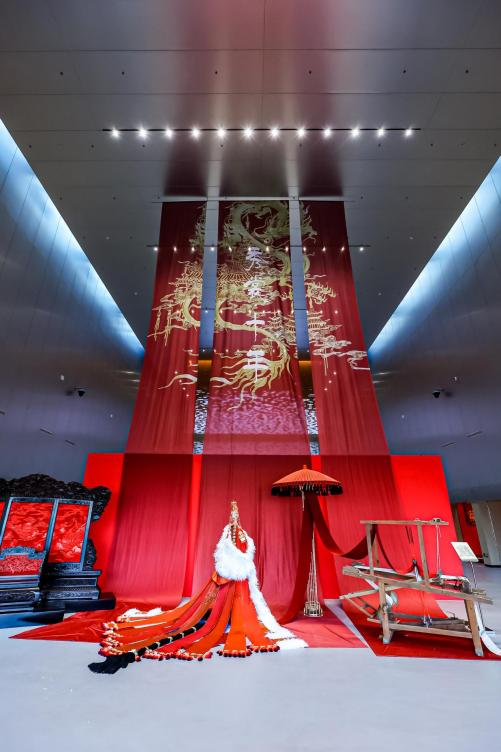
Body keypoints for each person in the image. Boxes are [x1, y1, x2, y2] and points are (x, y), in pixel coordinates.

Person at [89, 500, 305, 674]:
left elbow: (240, 559)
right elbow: (229, 562)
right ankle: (132, 652)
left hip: (238, 582)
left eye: (236, 516)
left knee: (224, 615)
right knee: (195, 622)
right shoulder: (229, 541)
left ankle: (227, 617)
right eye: (233, 516)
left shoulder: (240, 540)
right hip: (229, 580)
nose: (234, 519)